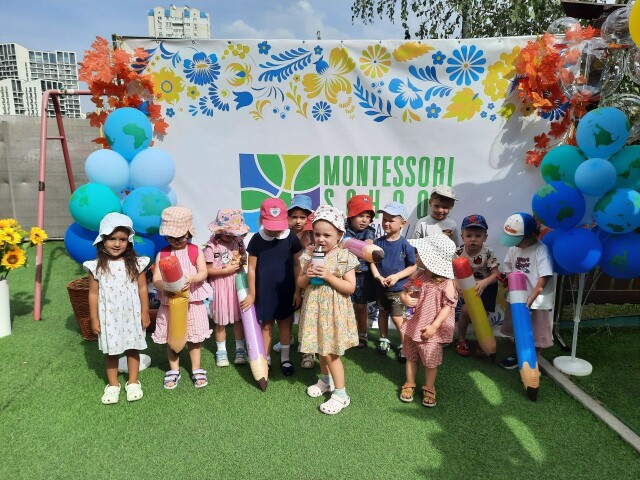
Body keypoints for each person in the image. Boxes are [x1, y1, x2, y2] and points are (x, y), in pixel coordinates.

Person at [297, 205, 359, 414]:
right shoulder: (309, 254)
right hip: (315, 310)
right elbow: (300, 283)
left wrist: (329, 276)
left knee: (331, 352)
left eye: (327, 235)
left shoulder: (344, 256)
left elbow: (350, 288)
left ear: (340, 235)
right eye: (317, 234)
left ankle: (341, 394)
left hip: (333, 313)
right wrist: (307, 275)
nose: (321, 239)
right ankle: (325, 381)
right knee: (320, 348)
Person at [84, 213, 150, 404]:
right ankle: (113, 384)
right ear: (102, 239)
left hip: (131, 314)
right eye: (112, 238)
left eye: (122, 239)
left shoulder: (136, 264)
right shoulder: (96, 267)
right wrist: (94, 318)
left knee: (133, 348)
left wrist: (145, 312)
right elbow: (93, 294)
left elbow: (142, 288)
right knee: (111, 351)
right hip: (109, 317)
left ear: (129, 241)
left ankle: (133, 382)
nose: (117, 243)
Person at [152, 207, 213, 389]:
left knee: (194, 337)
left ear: (189, 232)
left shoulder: (195, 251)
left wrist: (191, 279)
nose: (176, 240)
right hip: (170, 303)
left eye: (180, 236)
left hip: (193, 301)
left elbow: (203, 272)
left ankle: (196, 368)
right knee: (172, 336)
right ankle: (174, 369)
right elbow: (156, 278)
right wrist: (164, 287)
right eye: (171, 237)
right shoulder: (162, 254)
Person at [240, 198, 303, 376]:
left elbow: (297, 264)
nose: (275, 231)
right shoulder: (257, 239)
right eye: (271, 226)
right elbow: (251, 268)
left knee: (285, 324)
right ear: (261, 220)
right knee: (266, 325)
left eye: (278, 226)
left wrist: (297, 291)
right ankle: (265, 359)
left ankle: (285, 358)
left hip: (286, 290)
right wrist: (252, 294)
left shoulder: (291, 237)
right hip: (264, 291)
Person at [399, 235, 458, 408]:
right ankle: (410, 383)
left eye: (420, 253)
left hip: (431, 329)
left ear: (432, 259)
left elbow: (448, 307)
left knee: (430, 360)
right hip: (413, 325)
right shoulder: (419, 275)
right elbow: (407, 291)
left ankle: (429, 387)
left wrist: (434, 326)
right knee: (411, 356)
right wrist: (404, 298)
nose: (416, 256)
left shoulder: (446, 283)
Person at [498, 212, 555, 369]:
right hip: (517, 298)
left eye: (517, 240)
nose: (514, 244)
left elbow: (544, 277)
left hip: (537, 302)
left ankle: (532, 362)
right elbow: (508, 266)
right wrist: (510, 281)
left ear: (530, 235)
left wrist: (531, 299)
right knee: (519, 328)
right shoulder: (514, 249)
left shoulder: (541, 250)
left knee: (536, 333)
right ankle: (519, 355)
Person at [370, 202, 417, 361]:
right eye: (384, 219)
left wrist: (397, 277)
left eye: (391, 220)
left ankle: (405, 345)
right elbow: (372, 262)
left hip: (398, 289)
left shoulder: (405, 245)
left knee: (398, 318)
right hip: (381, 288)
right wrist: (378, 277)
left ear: (403, 223)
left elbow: (412, 266)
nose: (386, 223)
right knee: (382, 313)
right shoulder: (378, 243)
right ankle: (384, 339)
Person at [203, 209, 249, 367]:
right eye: (227, 232)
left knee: (238, 319)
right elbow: (207, 270)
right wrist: (225, 270)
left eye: (233, 233)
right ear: (218, 230)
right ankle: (221, 352)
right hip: (219, 287)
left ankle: (240, 349)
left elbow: (243, 260)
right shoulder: (212, 246)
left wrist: (240, 262)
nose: (230, 236)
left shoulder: (239, 242)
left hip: (237, 285)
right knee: (220, 321)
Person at [272, 195, 314, 356]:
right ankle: (287, 337)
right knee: (288, 310)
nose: (298, 221)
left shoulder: (313, 234)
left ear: (308, 218)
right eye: (294, 216)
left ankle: (308, 344)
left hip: (308, 279)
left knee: (307, 312)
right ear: (287, 216)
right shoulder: (282, 233)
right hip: (287, 278)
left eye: (302, 217)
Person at [454, 214, 500, 357]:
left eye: (478, 236)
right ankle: (461, 340)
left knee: (482, 315)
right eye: (469, 235)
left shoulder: (488, 252)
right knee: (464, 311)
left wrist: (484, 282)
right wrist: (456, 282)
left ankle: (482, 340)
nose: (473, 239)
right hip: (467, 288)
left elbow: (496, 275)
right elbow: (452, 272)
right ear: (462, 237)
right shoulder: (458, 252)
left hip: (485, 287)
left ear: (485, 237)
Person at [344, 194, 377, 348]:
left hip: (362, 276)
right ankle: (346, 334)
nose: (364, 220)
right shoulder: (342, 230)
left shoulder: (369, 231)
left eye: (368, 216)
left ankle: (362, 334)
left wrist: (367, 244)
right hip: (344, 275)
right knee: (344, 307)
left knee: (360, 307)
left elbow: (369, 242)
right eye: (360, 215)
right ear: (351, 216)